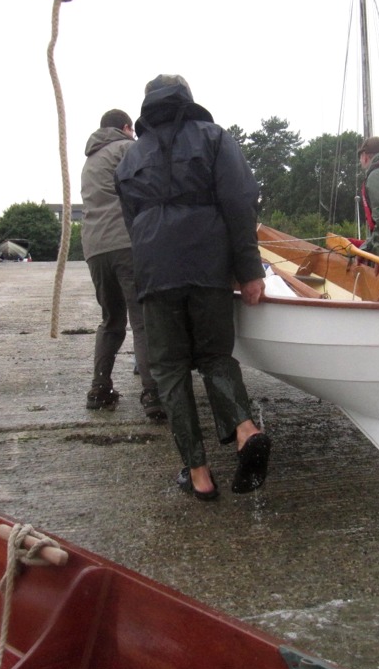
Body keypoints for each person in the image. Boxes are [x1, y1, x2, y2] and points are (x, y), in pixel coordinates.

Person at [115, 74, 269, 501]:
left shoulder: (130, 158)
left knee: (168, 369)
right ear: (187, 100)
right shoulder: (214, 138)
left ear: (147, 107)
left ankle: (199, 474)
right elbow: (239, 202)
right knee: (216, 356)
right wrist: (249, 269)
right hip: (207, 264)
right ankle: (244, 429)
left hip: (155, 270)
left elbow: (132, 222)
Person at [80, 108, 165, 422]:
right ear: (127, 128)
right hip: (126, 245)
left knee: (111, 321)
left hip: (94, 248)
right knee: (142, 321)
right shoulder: (127, 148)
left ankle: (99, 389)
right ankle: (153, 394)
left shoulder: (90, 160)